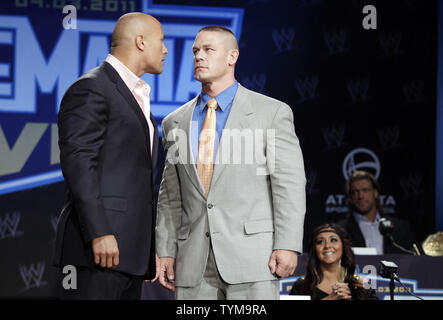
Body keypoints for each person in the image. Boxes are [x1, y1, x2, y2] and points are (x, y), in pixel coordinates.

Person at [155, 25, 306, 300]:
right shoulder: (174, 122)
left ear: (232, 57)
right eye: (195, 51)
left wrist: (287, 244)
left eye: (208, 49)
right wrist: (165, 249)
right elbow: (170, 197)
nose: (199, 56)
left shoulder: (271, 113)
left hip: (253, 259)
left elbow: (289, 185)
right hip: (192, 263)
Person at [52, 13, 168, 299]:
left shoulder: (136, 95)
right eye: (161, 42)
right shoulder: (93, 88)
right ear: (141, 41)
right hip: (98, 252)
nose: (165, 50)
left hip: (129, 257)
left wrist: (147, 247)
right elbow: (79, 164)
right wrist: (99, 232)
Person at [290, 224, 378, 300]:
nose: (327, 246)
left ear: (343, 246)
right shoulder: (302, 286)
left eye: (333, 240)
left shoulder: (362, 286)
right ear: (314, 249)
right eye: (320, 242)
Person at [338, 170, 415, 254]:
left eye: (365, 190)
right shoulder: (341, 231)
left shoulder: (400, 228)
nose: (360, 196)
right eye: (355, 192)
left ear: (375, 193)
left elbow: (411, 260)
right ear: (350, 197)